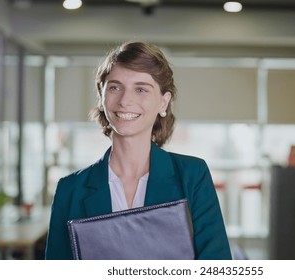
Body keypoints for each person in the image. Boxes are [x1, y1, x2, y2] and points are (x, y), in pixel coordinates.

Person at [45, 41, 232, 260]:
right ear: (102, 96)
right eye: (115, 87)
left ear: (164, 102)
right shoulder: (70, 189)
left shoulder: (193, 175)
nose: (125, 100)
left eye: (141, 89)